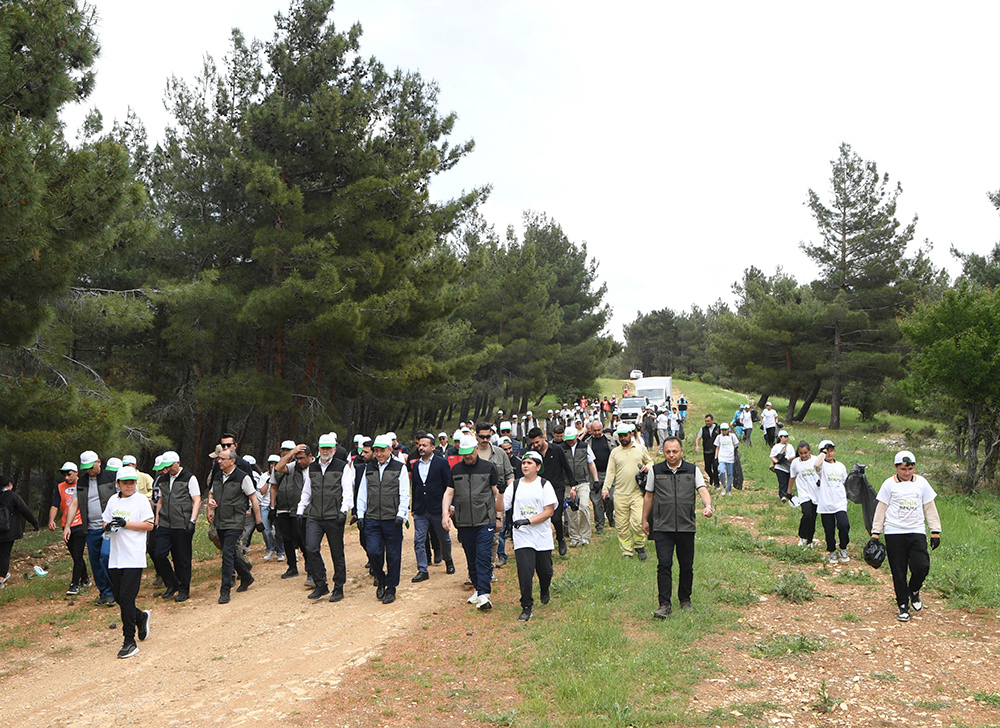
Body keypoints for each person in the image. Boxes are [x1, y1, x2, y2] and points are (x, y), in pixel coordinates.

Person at [642, 437, 713, 617]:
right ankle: (664, 604)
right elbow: (649, 496)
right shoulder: (656, 471)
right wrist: (644, 520)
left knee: (686, 565)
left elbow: (702, 489)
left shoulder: (692, 470)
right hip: (662, 527)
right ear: (663, 452)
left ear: (681, 451)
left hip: (685, 526)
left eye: (675, 451)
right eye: (668, 452)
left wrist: (708, 506)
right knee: (664, 565)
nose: (671, 455)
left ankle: (685, 599)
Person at [870, 450, 941, 622]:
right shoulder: (889, 484)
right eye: (903, 469)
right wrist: (875, 533)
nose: (907, 472)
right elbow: (881, 509)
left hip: (916, 531)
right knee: (898, 570)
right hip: (894, 532)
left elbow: (929, 507)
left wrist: (935, 531)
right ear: (896, 467)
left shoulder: (922, 483)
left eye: (910, 469)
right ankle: (903, 604)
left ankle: (914, 590)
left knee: (921, 566)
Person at [443, 434, 501, 610]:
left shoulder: (488, 467)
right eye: (464, 453)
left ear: (476, 449)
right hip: (464, 521)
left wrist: (498, 516)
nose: (468, 456)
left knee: (483, 556)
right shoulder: (456, 470)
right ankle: (477, 588)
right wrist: (445, 514)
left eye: (470, 452)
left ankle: (484, 593)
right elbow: (449, 493)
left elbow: (496, 493)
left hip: (485, 520)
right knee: (471, 556)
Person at [101, 466, 154, 658]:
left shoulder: (141, 500)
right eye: (125, 483)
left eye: (132, 482)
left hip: (133, 556)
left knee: (127, 598)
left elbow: (149, 524)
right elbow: (104, 521)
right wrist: (110, 526)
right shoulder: (113, 500)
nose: (129, 486)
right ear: (118, 484)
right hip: (116, 557)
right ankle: (140, 617)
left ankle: (129, 641)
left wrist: (126, 524)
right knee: (118, 597)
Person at [357, 434, 410, 605]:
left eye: (382, 450)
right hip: (372, 518)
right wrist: (360, 514)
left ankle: (391, 588)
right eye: (376, 451)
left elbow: (404, 493)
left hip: (392, 518)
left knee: (393, 556)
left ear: (390, 450)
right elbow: (362, 492)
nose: (379, 454)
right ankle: (381, 579)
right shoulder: (369, 468)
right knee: (373, 551)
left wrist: (401, 514)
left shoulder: (399, 468)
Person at [300, 432, 353, 602]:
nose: (325, 451)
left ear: (334, 449)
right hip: (314, 515)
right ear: (318, 448)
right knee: (311, 548)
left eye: (329, 448)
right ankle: (320, 584)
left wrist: (343, 511)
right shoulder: (312, 467)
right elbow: (307, 490)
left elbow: (347, 491)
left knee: (337, 553)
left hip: (334, 516)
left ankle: (339, 587)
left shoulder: (342, 466)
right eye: (323, 447)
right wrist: (301, 509)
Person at [208, 450, 264, 604]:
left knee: (227, 553)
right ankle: (246, 576)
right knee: (231, 552)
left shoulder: (243, 477)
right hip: (220, 520)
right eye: (218, 459)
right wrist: (209, 507)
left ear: (232, 461)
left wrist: (258, 521)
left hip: (235, 521)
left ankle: (225, 590)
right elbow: (211, 493)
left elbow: (254, 499)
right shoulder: (217, 475)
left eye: (222, 459)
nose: (219, 461)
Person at [62, 451, 117, 606]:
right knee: (95, 561)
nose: (89, 471)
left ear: (98, 462)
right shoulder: (82, 482)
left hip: (109, 526)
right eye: (86, 468)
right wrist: (67, 526)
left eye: (91, 467)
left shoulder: (111, 477)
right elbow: (74, 504)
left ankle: (114, 590)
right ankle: (104, 593)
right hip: (91, 528)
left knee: (105, 556)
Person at [152, 451, 201, 602]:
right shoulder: (163, 479)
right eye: (165, 466)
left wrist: (192, 521)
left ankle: (184, 589)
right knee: (158, 554)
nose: (167, 469)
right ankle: (172, 583)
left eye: (170, 466)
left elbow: (197, 500)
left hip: (182, 524)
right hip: (165, 523)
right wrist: (156, 521)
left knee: (182, 558)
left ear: (178, 463)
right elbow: (160, 500)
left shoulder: (189, 478)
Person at [410, 431, 456, 581]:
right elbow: (415, 487)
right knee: (419, 540)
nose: (421, 448)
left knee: (444, 538)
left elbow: (449, 485)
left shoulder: (441, 462)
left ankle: (448, 560)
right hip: (421, 509)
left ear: (432, 447)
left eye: (425, 445)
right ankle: (422, 569)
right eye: (419, 445)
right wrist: (413, 507)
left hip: (438, 507)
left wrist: (450, 505)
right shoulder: (416, 465)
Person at [602, 424, 653, 559]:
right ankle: (627, 551)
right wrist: (605, 489)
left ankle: (639, 545)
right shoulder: (615, 452)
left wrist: (647, 467)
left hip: (637, 493)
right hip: (620, 494)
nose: (623, 438)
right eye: (621, 436)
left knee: (638, 521)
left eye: (625, 435)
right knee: (622, 525)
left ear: (631, 434)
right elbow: (610, 472)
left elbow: (650, 462)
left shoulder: (640, 448)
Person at [528, 426, 576, 556]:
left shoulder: (557, 450)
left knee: (555, 517)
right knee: (542, 518)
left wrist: (573, 485)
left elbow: (566, 467)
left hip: (557, 487)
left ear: (544, 437)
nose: (535, 445)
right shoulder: (532, 454)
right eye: (533, 443)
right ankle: (543, 545)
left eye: (537, 442)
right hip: (540, 489)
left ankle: (560, 538)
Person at [474, 422, 514, 568]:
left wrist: (509, 492)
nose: (485, 440)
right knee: (477, 536)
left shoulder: (500, 453)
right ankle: (476, 569)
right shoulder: (472, 453)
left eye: (488, 436)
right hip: (477, 501)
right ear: (476, 436)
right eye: (482, 437)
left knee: (496, 533)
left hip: (497, 499)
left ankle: (494, 562)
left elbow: (509, 473)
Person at [271, 443, 312, 580]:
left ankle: (310, 565)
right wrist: (272, 507)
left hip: (299, 509)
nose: (285, 453)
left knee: (301, 538)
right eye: (284, 450)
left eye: (288, 450)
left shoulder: (305, 466)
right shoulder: (291, 466)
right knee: (286, 539)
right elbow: (278, 469)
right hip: (283, 508)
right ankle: (292, 567)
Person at [49, 462, 89, 595]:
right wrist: (51, 520)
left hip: (80, 524)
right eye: (64, 475)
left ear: (76, 473)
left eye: (69, 474)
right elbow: (55, 505)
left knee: (77, 554)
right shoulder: (60, 487)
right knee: (75, 555)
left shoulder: (84, 484)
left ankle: (74, 584)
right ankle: (85, 578)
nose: (67, 478)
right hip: (66, 525)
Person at [813, 440, 850, 565]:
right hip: (826, 504)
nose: (829, 453)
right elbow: (816, 464)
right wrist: (823, 452)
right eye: (827, 451)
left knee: (844, 525)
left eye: (831, 451)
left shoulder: (841, 466)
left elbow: (845, 482)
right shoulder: (822, 466)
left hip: (840, 502)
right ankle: (832, 550)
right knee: (829, 530)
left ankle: (843, 547)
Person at [0, 475, 40, 590]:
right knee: (4, 554)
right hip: (9, 531)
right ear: (9, 484)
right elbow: (25, 510)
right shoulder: (13, 496)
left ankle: (3, 574)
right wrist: (35, 523)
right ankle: (1, 579)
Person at [563, 427, 597, 547]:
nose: (570, 441)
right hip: (567, 484)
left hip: (582, 481)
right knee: (571, 511)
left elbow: (591, 463)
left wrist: (595, 479)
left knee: (584, 506)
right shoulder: (561, 448)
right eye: (568, 439)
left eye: (572, 439)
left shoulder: (584, 446)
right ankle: (575, 537)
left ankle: (585, 535)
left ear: (577, 437)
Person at [584, 420, 616, 533]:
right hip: (594, 475)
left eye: (599, 430)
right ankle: (599, 525)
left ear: (602, 429)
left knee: (611, 499)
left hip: (609, 474)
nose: (597, 433)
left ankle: (610, 516)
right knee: (596, 501)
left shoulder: (611, 441)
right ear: (591, 430)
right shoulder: (587, 443)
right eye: (594, 430)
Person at [788, 441, 819, 547]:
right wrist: (789, 492)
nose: (804, 455)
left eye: (805, 453)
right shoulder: (795, 463)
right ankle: (802, 536)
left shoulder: (816, 460)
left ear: (809, 451)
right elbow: (792, 477)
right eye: (801, 453)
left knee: (813, 517)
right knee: (807, 514)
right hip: (804, 493)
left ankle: (810, 540)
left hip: (816, 493)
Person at [695, 414, 721, 489]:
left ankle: (717, 483)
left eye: (708, 421)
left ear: (712, 420)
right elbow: (698, 438)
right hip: (706, 451)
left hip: (716, 451)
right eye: (706, 421)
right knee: (707, 468)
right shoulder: (703, 429)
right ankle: (712, 477)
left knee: (715, 467)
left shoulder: (718, 428)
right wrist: (697, 445)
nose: (707, 423)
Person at [713, 423, 740, 495]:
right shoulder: (719, 437)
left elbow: (736, 445)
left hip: (730, 458)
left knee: (730, 474)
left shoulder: (732, 436)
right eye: (722, 430)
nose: (724, 431)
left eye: (725, 430)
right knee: (721, 471)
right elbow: (717, 447)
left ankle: (729, 490)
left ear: (728, 430)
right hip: (722, 457)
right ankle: (724, 486)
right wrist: (715, 458)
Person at [769, 430, 795, 503]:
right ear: (780, 437)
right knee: (782, 481)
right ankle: (782, 495)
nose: (786, 438)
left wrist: (786, 459)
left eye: (787, 437)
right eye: (784, 437)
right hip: (779, 467)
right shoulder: (776, 446)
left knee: (788, 481)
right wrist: (777, 461)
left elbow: (793, 455)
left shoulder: (790, 446)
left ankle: (787, 493)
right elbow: (772, 456)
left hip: (788, 466)